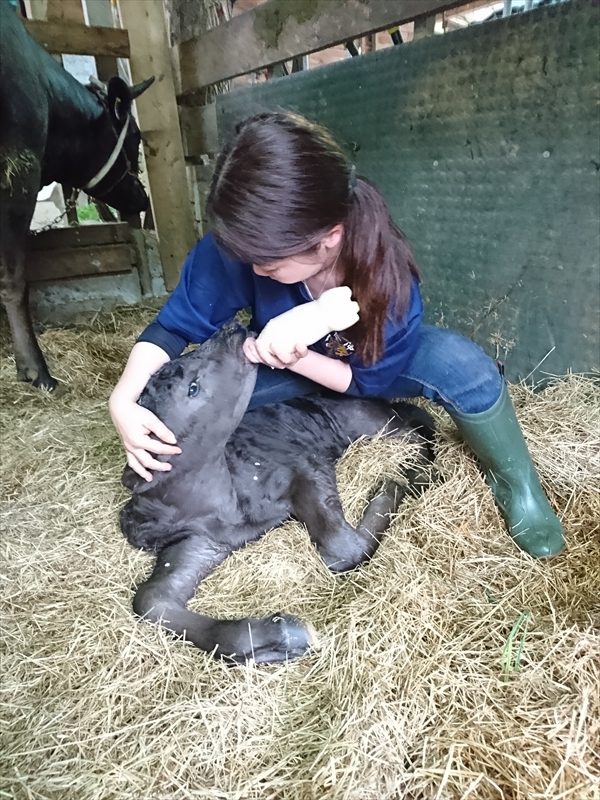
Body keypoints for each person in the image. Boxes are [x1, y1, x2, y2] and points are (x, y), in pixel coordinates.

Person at [109, 110, 564, 559]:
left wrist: (297, 352)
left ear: (328, 238)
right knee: (194, 408)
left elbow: (366, 381)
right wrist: (124, 399)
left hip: (366, 367)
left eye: (267, 265)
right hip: (280, 362)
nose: (255, 270)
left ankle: (517, 483)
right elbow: (174, 325)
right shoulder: (248, 244)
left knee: (465, 368)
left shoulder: (389, 279)